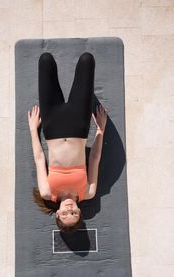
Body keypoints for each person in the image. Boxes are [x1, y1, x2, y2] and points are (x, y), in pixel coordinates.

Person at [28, 52, 108, 232]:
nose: (69, 210)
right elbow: (94, 158)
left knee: (45, 59)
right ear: (80, 212)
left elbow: (39, 158)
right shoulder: (88, 192)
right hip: (78, 124)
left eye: (65, 214)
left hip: (52, 124)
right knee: (87, 59)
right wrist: (100, 130)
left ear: (58, 213)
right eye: (74, 214)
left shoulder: (48, 192)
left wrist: (34, 129)